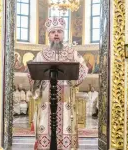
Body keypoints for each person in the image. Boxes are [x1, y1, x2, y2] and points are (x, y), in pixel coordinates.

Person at [26, 17, 88, 150]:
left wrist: (74, 81)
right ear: (48, 35)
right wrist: (34, 79)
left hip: (66, 100)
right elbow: (31, 72)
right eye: (53, 32)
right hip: (46, 100)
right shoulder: (42, 54)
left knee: (66, 123)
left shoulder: (72, 53)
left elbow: (83, 68)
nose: (56, 34)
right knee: (45, 125)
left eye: (59, 31)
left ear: (63, 34)